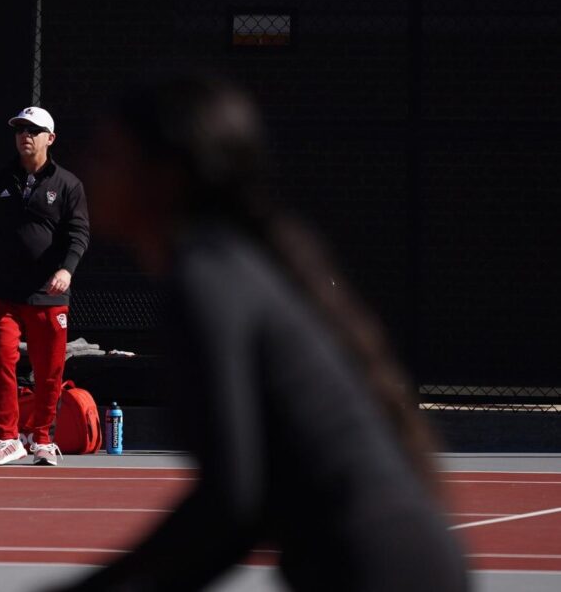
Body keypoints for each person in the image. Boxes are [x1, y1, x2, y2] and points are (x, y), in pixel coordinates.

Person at [65, 74, 468, 590]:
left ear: (165, 176)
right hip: (393, 563)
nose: (91, 167)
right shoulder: (230, 267)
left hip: (378, 570)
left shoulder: (206, 281)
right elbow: (233, 510)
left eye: (107, 154)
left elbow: (230, 508)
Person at [0, 106, 90, 467]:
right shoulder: (1, 179)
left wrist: (66, 270)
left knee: (49, 369)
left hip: (48, 295)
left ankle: (43, 440)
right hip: (3, 292)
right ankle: (7, 439)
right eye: (20, 130)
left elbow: (79, 233)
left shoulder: (68, 184)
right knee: (1, 360)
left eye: (34, 131)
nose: (25, 136)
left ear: (50, 138)